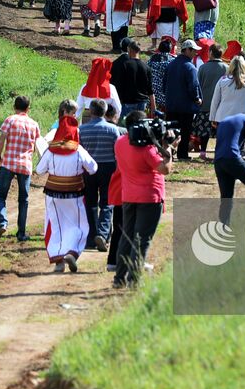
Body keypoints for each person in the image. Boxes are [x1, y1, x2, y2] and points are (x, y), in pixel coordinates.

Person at [113, 111, 172, 288]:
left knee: (127, 237)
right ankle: (133, 280)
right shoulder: (146, 149)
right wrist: (168, 148)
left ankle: (119, 278)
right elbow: (165, 169)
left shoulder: (120, 142)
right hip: (150, 197)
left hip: (128, 196)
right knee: (141, 240)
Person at [35, 116, 98, 272]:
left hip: (53, 194)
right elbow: (93, 168)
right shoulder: (79, 150)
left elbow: (39, 170)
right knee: (78, 225)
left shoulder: (50, 151)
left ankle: (58, 260)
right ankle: (72, 252)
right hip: (74, 194)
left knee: (56, 225)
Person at [0, 96, 40, 240]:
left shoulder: (10, 120)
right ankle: (21, 233)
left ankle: (3, 222)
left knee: (1, 196)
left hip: (8, 163)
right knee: (23, 199)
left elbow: (1, 139)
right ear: (28, 108)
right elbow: (38, 145)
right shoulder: (34, 124)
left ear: (15, 107)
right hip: (25, 165)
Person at [80, 98, 123, 252]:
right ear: (105, 112)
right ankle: (103, 234)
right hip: (108, 167)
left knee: (90, 202)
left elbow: (80, 151)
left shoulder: (82, 129)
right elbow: (118, 151)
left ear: (90, 111)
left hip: (89, 168)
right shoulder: (113, 130)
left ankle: (92, 237)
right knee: (107, 202)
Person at [162, 40, 203, 160]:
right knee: (185, 132)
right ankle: (182, 154)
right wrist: (197, 98)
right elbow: (193, 85)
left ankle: (167, 152)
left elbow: (164, 85)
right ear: (187, 50)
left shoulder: (171, 64)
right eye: (194, 50)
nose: (195, 53)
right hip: (185, 107)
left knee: (171, 131)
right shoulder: (190, 67)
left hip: (171, 104)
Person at [208, 55, 245, 129]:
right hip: (244, 119)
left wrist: (212, 118)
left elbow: (215, 101)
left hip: (223, 118)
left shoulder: (222, 80)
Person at [111, 38, 152, 119]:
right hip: (142, 102)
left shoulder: (120, 64)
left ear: (129, 49)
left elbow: (116, 84)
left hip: (126, 101)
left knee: (125, 128)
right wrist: (153, 106)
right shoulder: (145, 66)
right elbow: (150, 88)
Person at [147, 37, 174, 114]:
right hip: (166, 93)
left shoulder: (151, 59)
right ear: (170, 49)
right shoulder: (172, 61)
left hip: (153, 93)